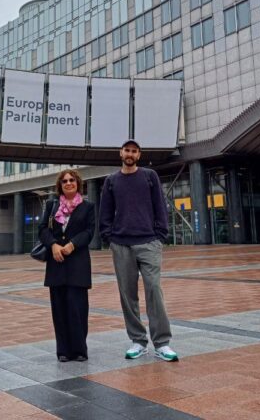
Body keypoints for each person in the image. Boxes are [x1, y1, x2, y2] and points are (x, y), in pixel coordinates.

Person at [98, 139, 178, 362]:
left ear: (139, 155)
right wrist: (108, 236)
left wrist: (160, 235)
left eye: (134, 151)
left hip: (149, 243)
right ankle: (138, 341)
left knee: (154, 290)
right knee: (127, 294)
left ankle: (162, 343)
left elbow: (160, 206)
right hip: (121, 244)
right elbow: (105, 211)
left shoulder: (149, 176)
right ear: (120, 153)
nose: (130, 154)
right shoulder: (111, 181)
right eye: (127, 150)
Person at [38, 168, 95, 363]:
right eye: (64, 181)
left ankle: (79, 349)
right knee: (59, 308)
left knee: (77, 307)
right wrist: (53, 245)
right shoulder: (51, 206)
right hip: (57, 263)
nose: (68, 183)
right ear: (60, 186)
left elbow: (89, 232)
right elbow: (43, 229)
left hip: (78, 263)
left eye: (72, 180)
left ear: (78, 183)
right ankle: (63, 350)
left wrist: (73, 244)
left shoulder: (88, 207)